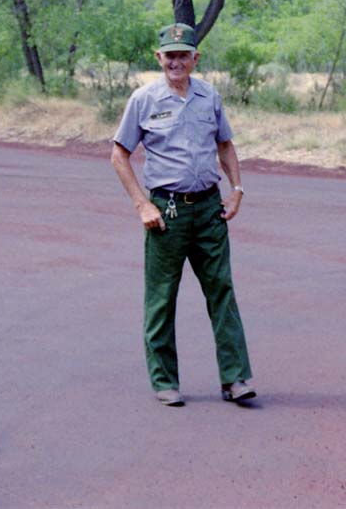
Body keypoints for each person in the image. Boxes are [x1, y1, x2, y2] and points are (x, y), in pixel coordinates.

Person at [110, 22, 256, 407]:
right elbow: (119, 155)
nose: (176, 61)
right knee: (162, 298)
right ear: (159, 58)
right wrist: (142, 203)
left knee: (221, 292)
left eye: (183, 54)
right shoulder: (144, 100)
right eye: (169, 55)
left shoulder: (209, 97)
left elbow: (225, 145)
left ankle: (235, 378)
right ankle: (164, 381)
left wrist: (236, 190)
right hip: (167, 212)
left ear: (196, 58)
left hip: (209, 209)